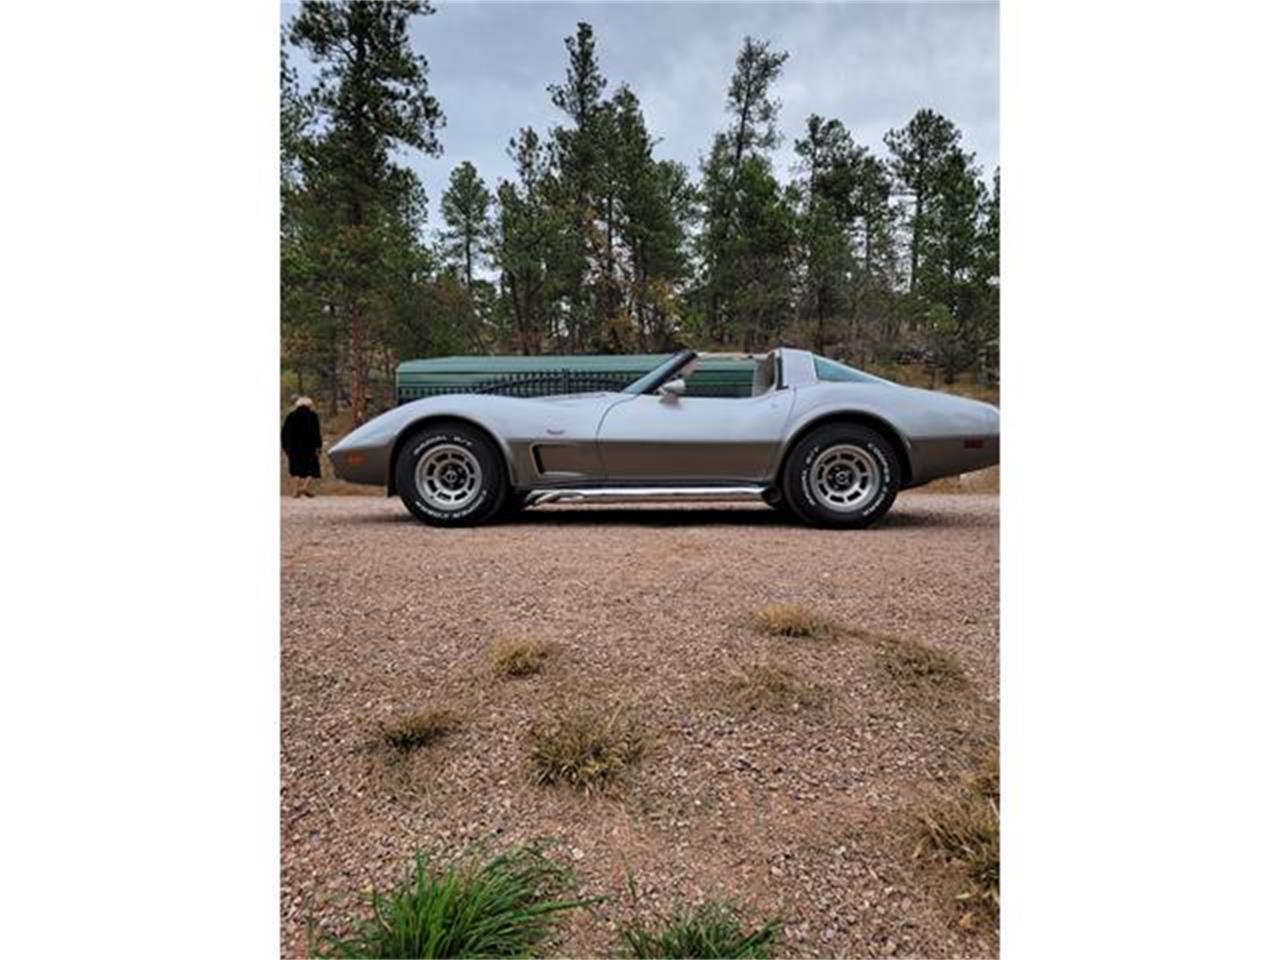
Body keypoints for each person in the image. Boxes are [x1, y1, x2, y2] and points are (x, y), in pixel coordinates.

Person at [281, 397, 322, 498]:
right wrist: (318, 446)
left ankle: (296, 491)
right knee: (312, 468)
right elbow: (317, 433)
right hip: (309, 446)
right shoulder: (313, 416)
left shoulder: (291, 416)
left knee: (296, 469)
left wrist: (285, 446)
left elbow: (284, 433)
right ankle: (305, 487)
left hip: (294, 447)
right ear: (310, 405)